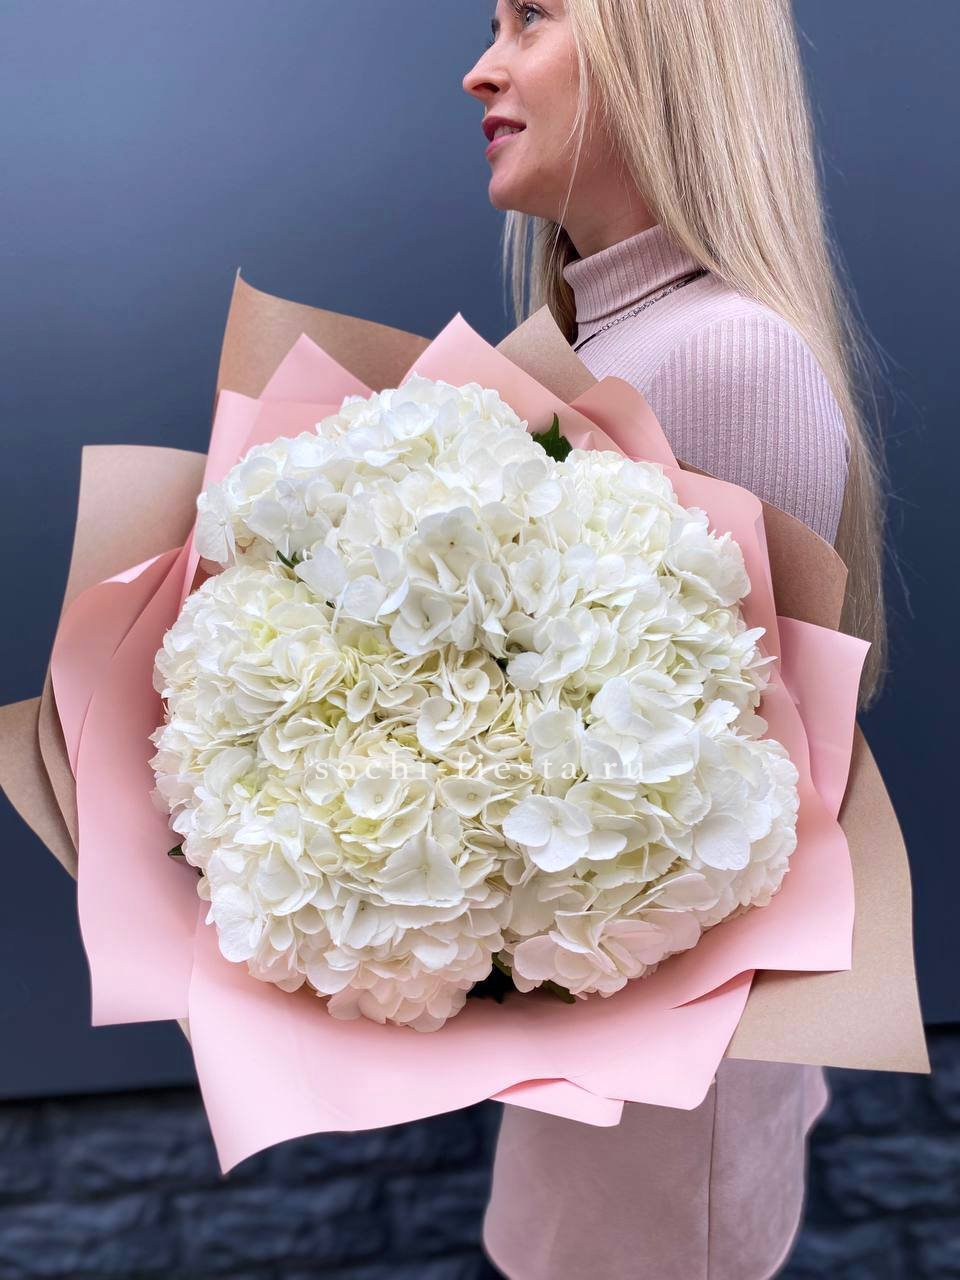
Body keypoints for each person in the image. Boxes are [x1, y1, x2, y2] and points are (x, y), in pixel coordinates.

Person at [462, 2, 890, 1277]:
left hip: (661, 1105)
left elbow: (725, 825)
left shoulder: (725, 358)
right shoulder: (604, 341)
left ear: (661, 41)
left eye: (533, 17)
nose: (481, 67)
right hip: (589, 1056)